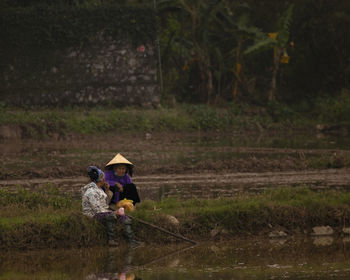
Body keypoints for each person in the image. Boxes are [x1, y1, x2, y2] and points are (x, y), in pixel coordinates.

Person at [81, 165, 141, 248]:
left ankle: (132, 241)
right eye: (103, 178)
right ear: (100, 179)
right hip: (92, 215)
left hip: (103, 212)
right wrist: (113, 212)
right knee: (112, 216)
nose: (105, 179)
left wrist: (107, 191)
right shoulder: (91, 192)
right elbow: (97, 210)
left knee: (125, 218)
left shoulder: (100, 190)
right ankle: (111, 240)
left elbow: (105, 203)